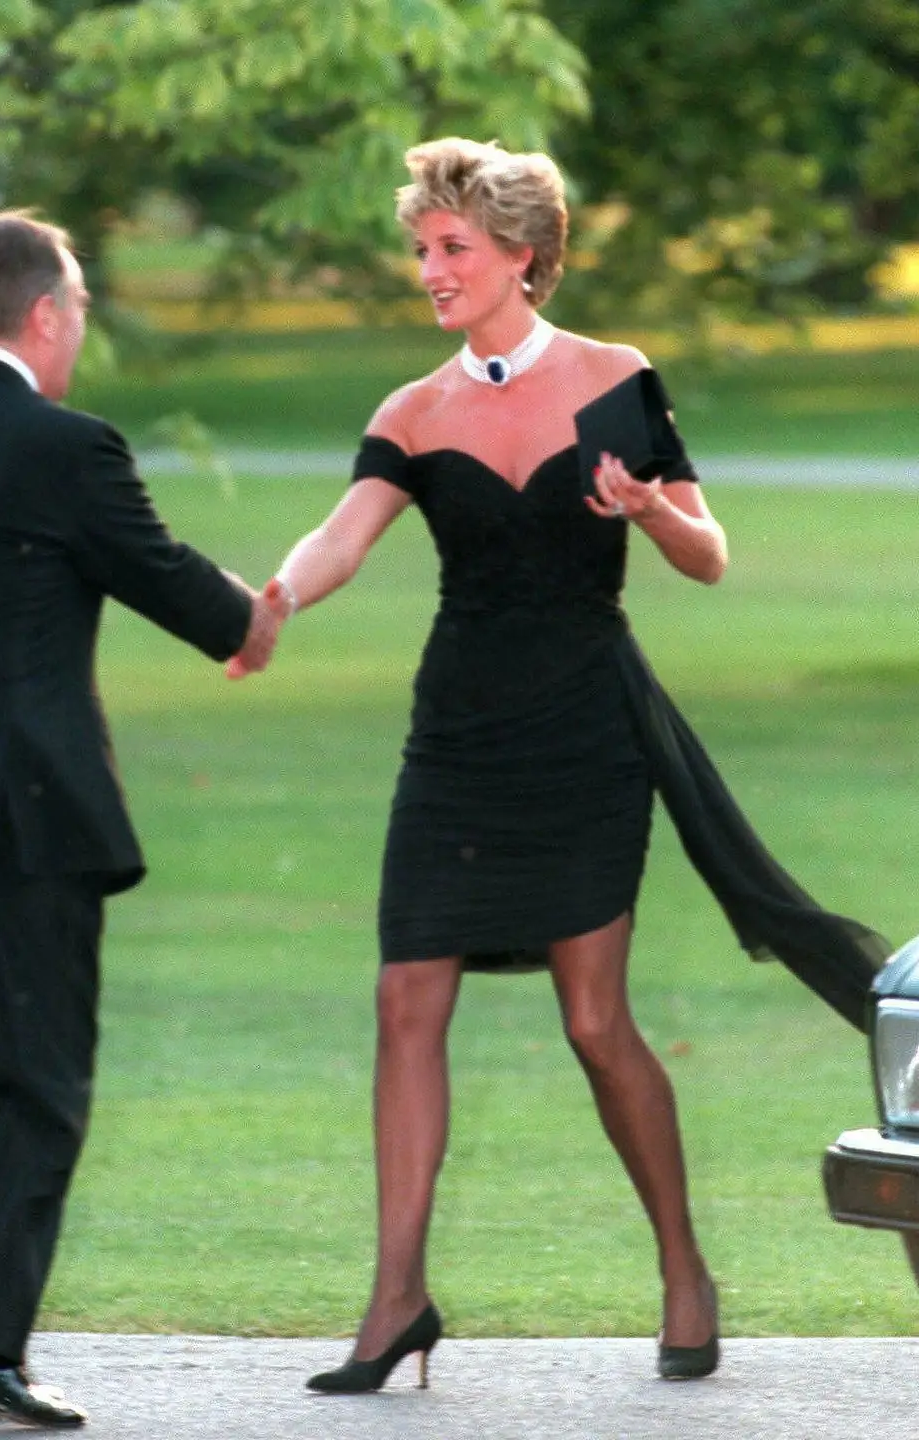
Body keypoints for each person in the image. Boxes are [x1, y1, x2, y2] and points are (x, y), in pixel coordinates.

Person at [232, 137, 891, 1392]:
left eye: (452, 249)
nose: (430, 269)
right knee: (404, 999)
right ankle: (395, 1302)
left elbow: (710, 557)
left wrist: (649, 509)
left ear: (522, 258)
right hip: (458, 738)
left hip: (585, 730)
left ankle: (686, 1271)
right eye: (422, 249)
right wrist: (272, 600)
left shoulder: (618, 379)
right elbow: (341, 538)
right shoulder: (411, 413)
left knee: (594, 1022)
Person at [0, 210, 286, 1427]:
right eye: (79, 311)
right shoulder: (63, 447)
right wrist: (262, 610)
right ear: (42, 315)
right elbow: (188, 595)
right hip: (18, 817)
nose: (80, 333)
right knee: (42, 1082)